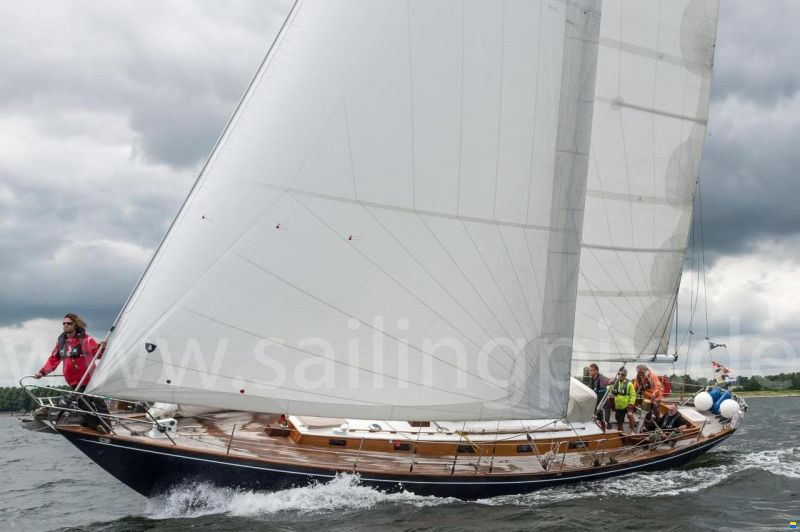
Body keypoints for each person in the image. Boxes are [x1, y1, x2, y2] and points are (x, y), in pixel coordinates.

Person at [34, 313, 109, 431]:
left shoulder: (86, 339)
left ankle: (106, 426)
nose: (65, 325)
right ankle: (96, 427)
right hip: (74, 382)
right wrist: (42, 372)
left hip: (90, 379)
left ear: (75, 324)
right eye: (63, 323)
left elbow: (98, 354)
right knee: (83, 406)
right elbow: (53, 359)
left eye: (68, 323)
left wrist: (102, 347)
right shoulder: (61, 342)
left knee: (99, 404)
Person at [608, 367, 636, 433]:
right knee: (619, 422)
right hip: (618, 406)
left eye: (622, 374)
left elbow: (633, 395)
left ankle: (632, 431)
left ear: (625, 375)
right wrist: (609, 383)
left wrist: (631, 404)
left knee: (630, 415)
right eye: (619, 374)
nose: (620, 375)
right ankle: (621, 434)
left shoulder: (629, 384)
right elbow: (609, 389)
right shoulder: (615, 383)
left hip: (628, 405)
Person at [587, 364, 611, 430]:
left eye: (591, 370)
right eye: (589, 370)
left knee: (605, 420)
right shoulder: (591, 379)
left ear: (596, 371)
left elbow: (608, 381)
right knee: (596, 419)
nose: (590, 372)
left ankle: (606, 430)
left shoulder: (601, 378)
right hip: (597, 401)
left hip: (604, 402)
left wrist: (611, 381)